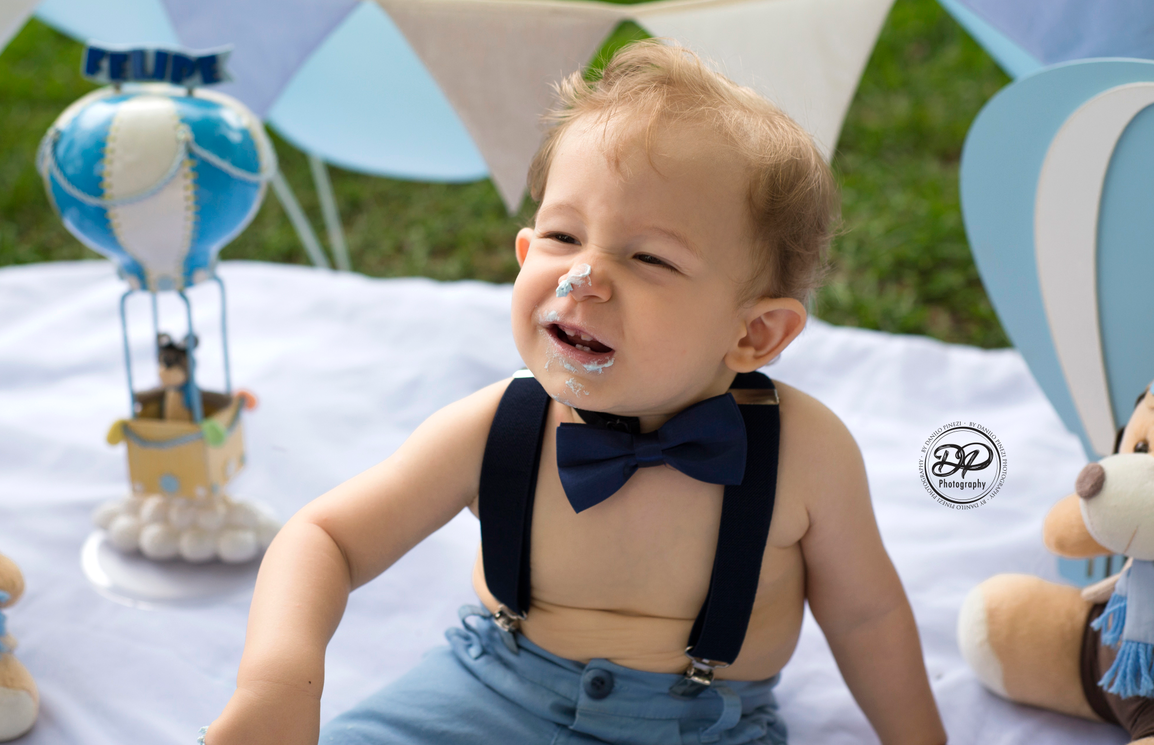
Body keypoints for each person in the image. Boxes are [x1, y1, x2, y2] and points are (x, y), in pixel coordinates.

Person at [203, 40, 946, 745]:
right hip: (490, 690)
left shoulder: (805, 455)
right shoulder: (498, 426)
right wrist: (278, 681)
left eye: (649, 256)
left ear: (754, 335)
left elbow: (866, 616)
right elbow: (326, 538)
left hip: (702, 723)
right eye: (562, 237)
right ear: (526, 251)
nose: (581, 277)